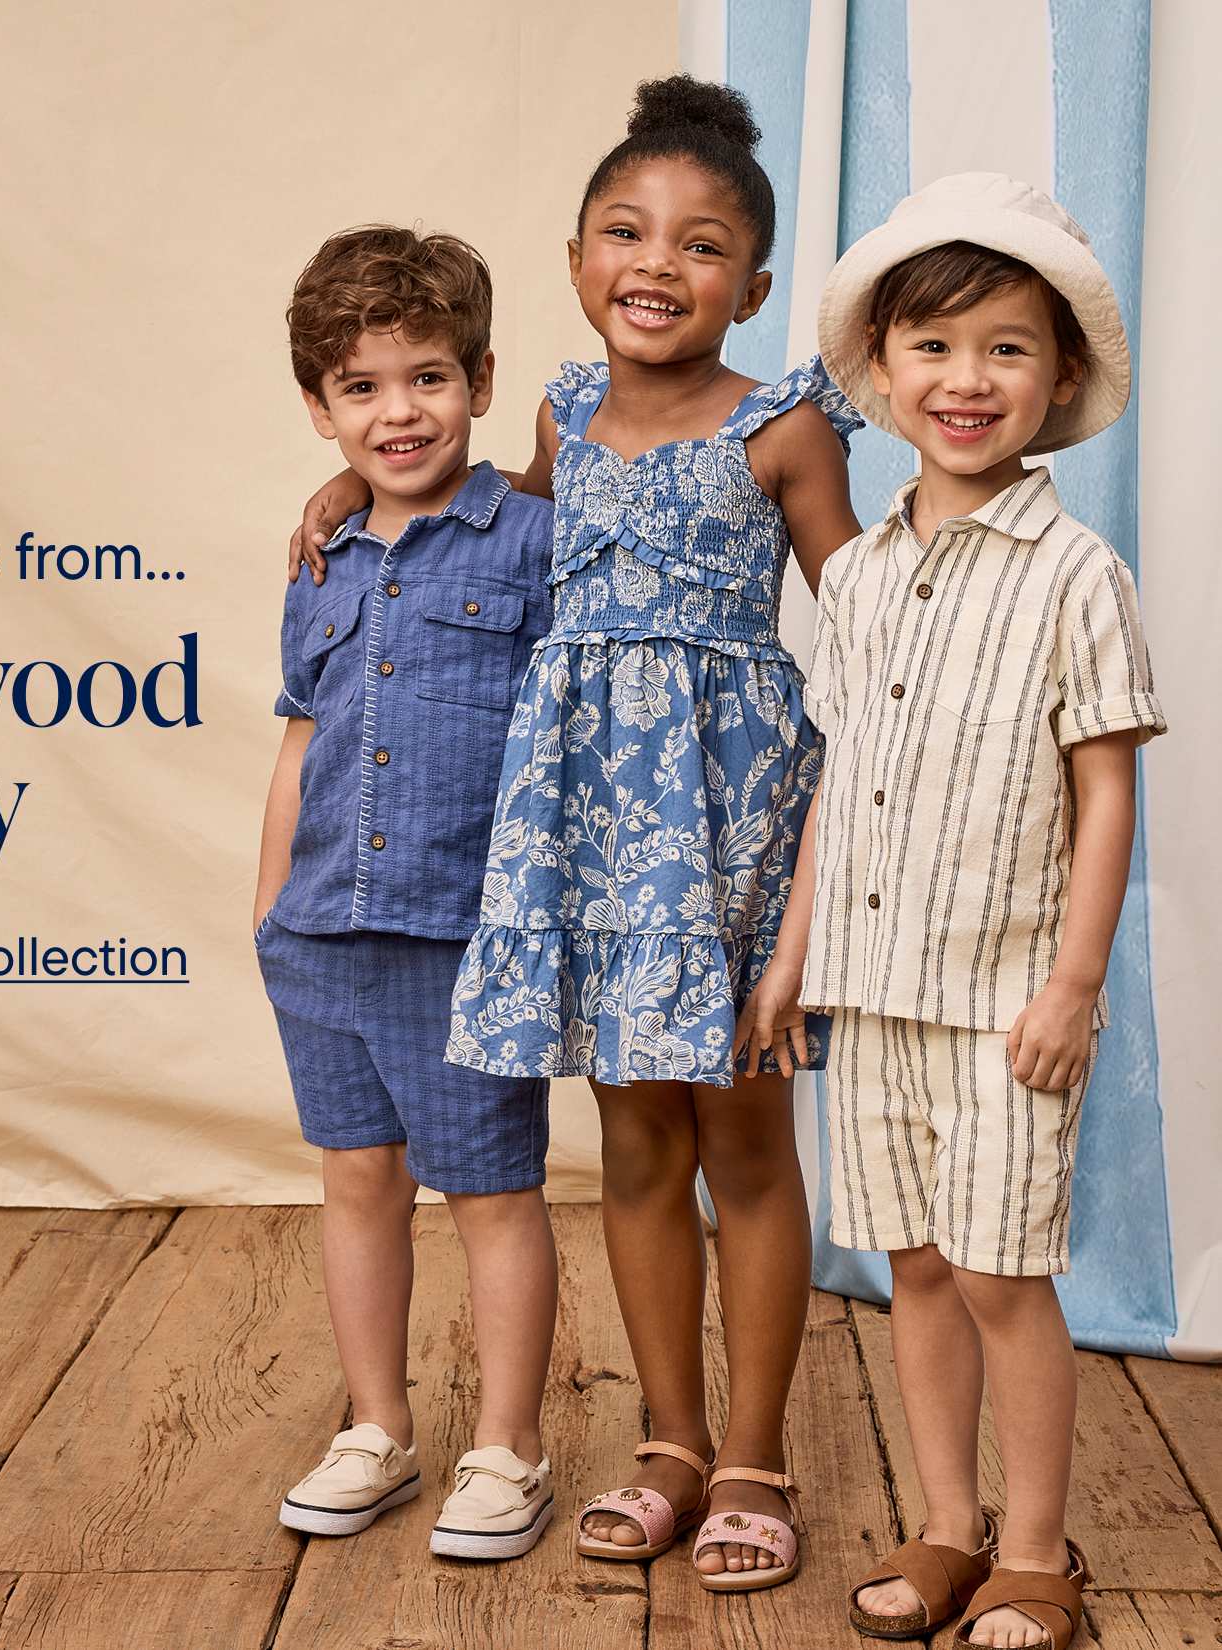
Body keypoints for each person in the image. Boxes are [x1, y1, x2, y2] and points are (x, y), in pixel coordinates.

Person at [291, 77, 862, 1590]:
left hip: (731, 830)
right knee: (635, 1143)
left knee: (744, 1139)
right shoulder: (555, 410)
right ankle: (670, 1442)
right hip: (586, 835)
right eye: (627, 230)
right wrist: (358, 472)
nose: (658, 262)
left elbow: (872, 629)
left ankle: (756, 1454)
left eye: (702, 242)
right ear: (575, 258)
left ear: (753, 282)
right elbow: (484, 523)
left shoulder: (787, 427)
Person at [738, 172, 1167, 1647]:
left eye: (1005, 348)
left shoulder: (1076, 575)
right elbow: (841, 781)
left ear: (1058, 377)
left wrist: (1074, 981)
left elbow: (1105, 793)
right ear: (882, 369)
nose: (966, 379)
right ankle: (945, 1525)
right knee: (915, 1266)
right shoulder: (860, 579)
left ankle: (1036, 1550)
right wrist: (792, 955)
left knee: (999, 1270)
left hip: (1005, 1001)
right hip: (872, 993)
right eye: (933, 346)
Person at [256, 225, 561, 1560]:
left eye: (428, 377)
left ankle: (508, 1448)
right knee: (357, 1179)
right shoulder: (322, 560)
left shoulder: (534, 540)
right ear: (321, 407)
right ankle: (378, 1427)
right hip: (322, 930)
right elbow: (301, 739)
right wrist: (269, 907)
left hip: (463, 931)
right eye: (363, 388)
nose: (400, 411)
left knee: (491, 1190)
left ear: (481, 379)